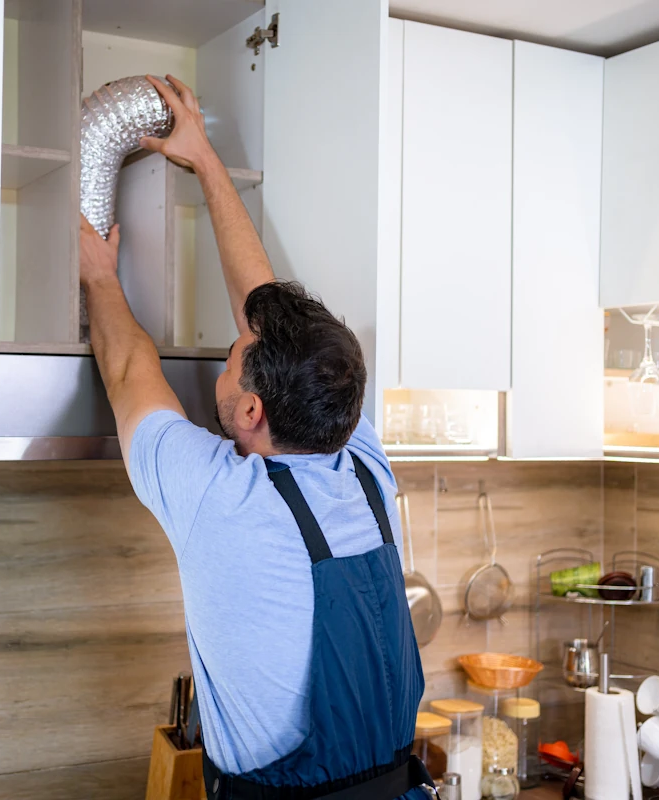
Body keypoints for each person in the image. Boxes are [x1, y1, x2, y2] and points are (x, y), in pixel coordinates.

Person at [79, 74, 428, 800]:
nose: (233, 343)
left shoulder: (220, 498)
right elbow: (265, 314)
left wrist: (99, 278)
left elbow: (127, 366)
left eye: (235, 353)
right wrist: (205, 159)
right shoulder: (364, 462)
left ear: (250, 412)